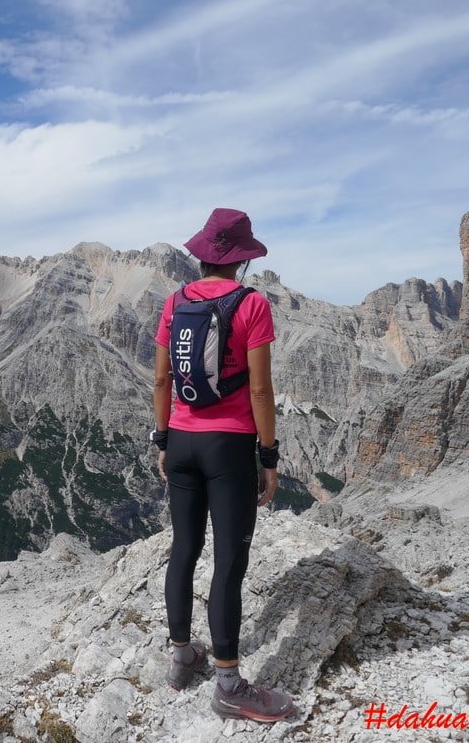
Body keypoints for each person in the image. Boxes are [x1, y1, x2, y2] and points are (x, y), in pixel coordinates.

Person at [150, 208, 293, 722]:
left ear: (203, 253)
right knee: (228, 562)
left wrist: (163, 440)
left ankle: (182, 657)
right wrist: (269, 456)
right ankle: (229, 684)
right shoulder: (252, 304)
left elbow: (163, 380)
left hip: (182, 442)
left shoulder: (174, 301)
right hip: (228, 447)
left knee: (183, 549)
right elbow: (259, 388)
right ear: (240, 259)